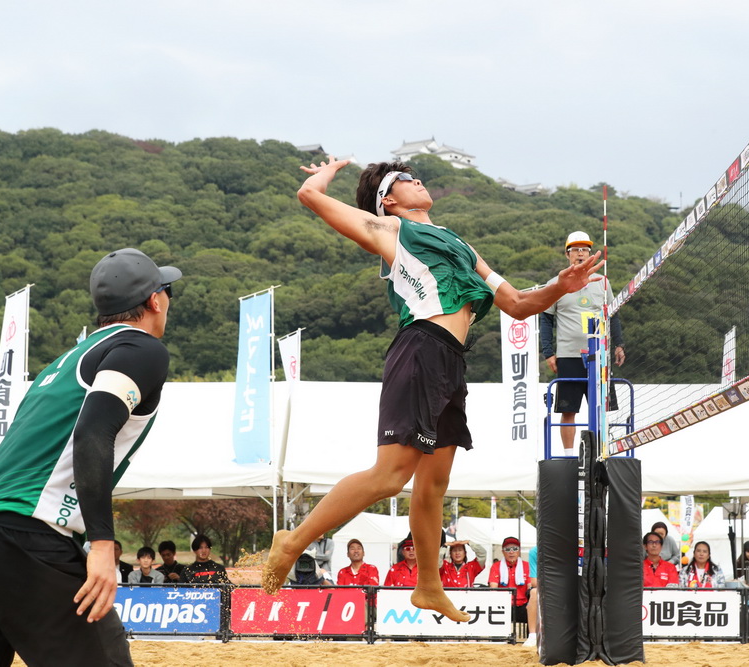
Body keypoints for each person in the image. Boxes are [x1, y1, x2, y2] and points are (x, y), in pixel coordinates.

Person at [262, 157, 604, 625]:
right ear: (389, 199)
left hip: (450, 360)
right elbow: (309, 197)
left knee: (433, 484)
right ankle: (294, 540)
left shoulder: (461, 245)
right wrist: (329, 170)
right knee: (390, 476)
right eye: (404, 179)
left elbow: (520, 305)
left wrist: (560, 288)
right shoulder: (390, 230)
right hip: (420, 349)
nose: (416, 179)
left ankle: (428, 584)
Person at [0, 247, 180, 667]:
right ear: (154, 301)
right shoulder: (141, 348)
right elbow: (92, 433)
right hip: (25, 534)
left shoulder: (62, 363)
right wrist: (103, 545)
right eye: (167, 291)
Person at [539, 231, 625, 456]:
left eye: (584, 249)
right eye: (575, 250)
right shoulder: (554, 284)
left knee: (601, 410)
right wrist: (548, 352)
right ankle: (568, 456)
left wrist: (619, 345)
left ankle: (601, 452)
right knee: (568, 410)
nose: (580, 253)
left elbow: (612, 315)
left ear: (590, 255)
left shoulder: (602, 281)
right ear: (567, 254)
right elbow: (546, 319)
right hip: (568, 355)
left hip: (599, 356)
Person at [488, 537, 531, 623]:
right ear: (503, 552)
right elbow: (493, 588)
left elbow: (530, 587)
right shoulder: (496, 566)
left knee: (532, 610)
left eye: (515, 549)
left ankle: (531, 636)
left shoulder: (527, 566)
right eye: (507, 549)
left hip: (523, 605)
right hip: (503, 605)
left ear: (519, 551)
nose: (511, 552)